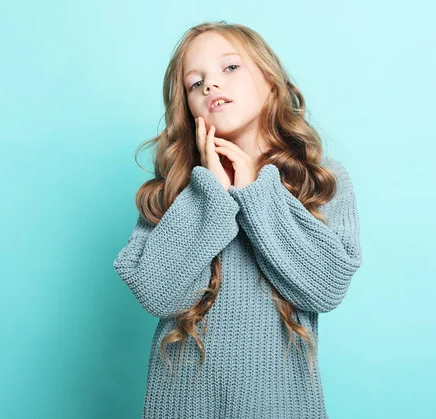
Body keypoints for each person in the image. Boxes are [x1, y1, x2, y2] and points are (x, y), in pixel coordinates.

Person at [113, 20, 363, 419]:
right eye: (195, 83)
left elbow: (326, 289)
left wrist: (254, 192)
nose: (211, 85)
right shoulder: (177, 191)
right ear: (188, 108)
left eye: (230, 68)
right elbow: (158, 294)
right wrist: (210, 191)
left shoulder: (319, 178)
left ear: (271, 80)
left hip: (281, 407)